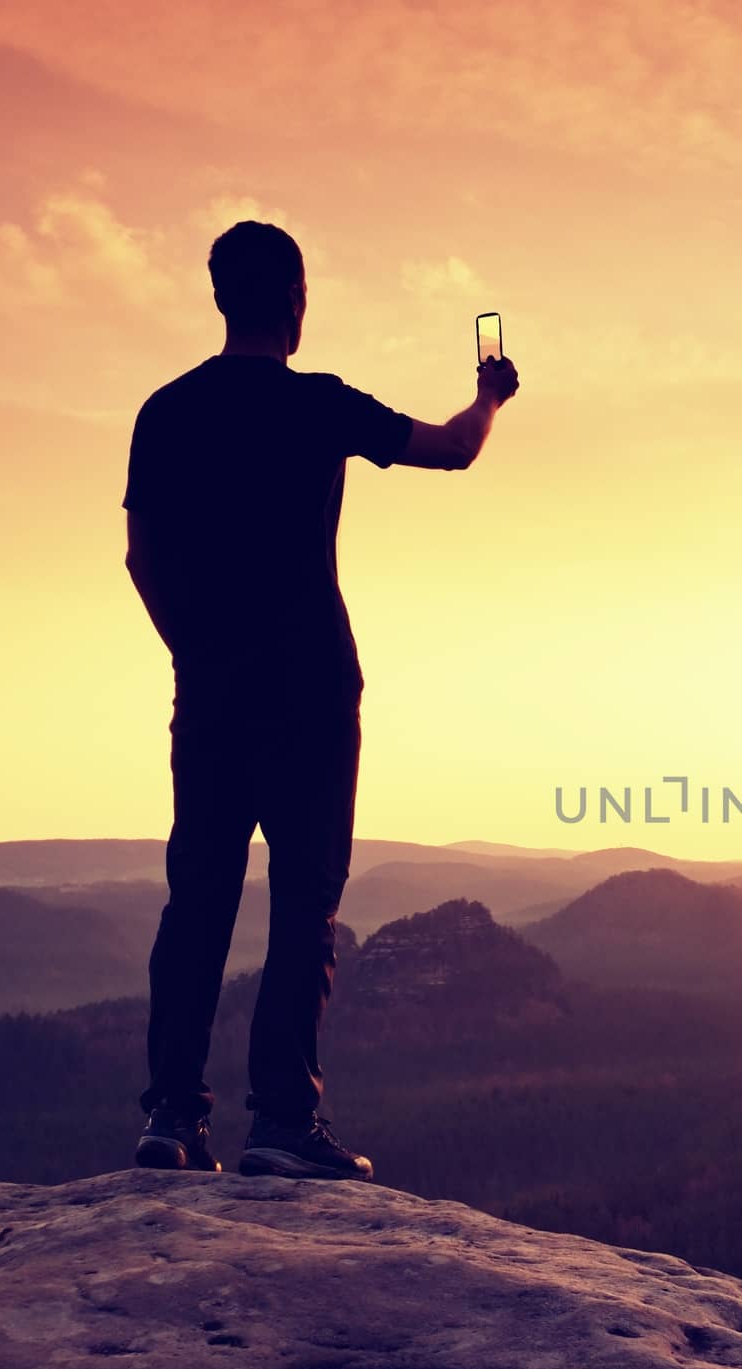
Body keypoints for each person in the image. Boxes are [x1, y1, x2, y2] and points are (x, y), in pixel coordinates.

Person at [122, 219, 518, 1181]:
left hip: (211, 697)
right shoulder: (321, 406)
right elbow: (453, 451)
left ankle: (173, 1120)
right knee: (306, 907)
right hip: (310, 691)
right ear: (296, 301)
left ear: (220, 298)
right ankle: (282, 1126)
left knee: (198, 902)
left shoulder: (165, 412)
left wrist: (194, 654)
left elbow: (141, 557)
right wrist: (490, 395)